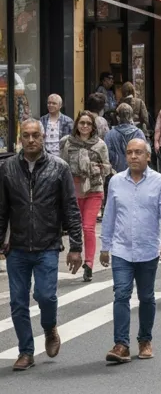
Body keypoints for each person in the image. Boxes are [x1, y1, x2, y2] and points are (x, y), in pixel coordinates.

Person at [0, 119, 83, 371]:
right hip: (17, 247)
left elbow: (70, 207)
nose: (31, 140)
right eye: (26, 136)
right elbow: (2, 209)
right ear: (20, 138)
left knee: (46, 296)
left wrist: (76, 246)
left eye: (36, 135)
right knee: (17, 301)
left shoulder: (59, 168)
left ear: (43, 137)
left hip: (48, 245)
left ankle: (49, 328)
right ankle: (26, 351)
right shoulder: (7, 169)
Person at [100, 139, 161, 363]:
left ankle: (145, 339)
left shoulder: (159, 182)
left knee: (146, 296)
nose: (133, 156)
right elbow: (109, 216)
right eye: (130, 152)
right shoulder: (115, 182)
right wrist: (105, 246)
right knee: (121, 294)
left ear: (148, 156)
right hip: (121, 249)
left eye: (138, 152)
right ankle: (121, 345)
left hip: (147, 250)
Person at [60, 111, 113, 282]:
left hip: (94, 189)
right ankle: (77, 253)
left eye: (88, 124)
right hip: (74, 190)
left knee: (88, 227)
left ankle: (89, 264)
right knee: (75, 227)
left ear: (93, 127)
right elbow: (63, 167)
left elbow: (107, 168)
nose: (84, 126)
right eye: (82, 123)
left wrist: (94, 168)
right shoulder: (68, 143)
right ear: (77, 125)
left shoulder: (100, 145)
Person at [105, 103, 146, 174]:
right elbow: (144, 153)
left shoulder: (110, 134)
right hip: (135, 170)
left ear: (118, 117)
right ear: (131, 116)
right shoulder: (139, 133)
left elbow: (107, 154)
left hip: (116, 171)